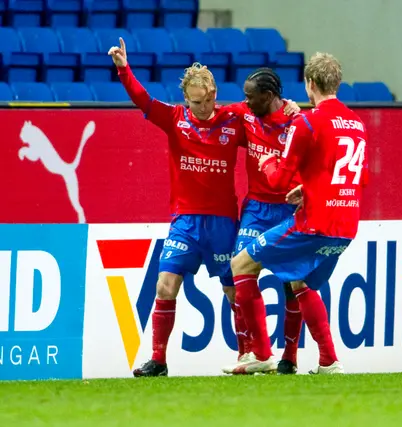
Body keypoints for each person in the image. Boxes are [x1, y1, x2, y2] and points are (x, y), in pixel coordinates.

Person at [108, 37, 247, 377]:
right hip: (184, 222)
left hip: (223, 224)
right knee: (164, 285)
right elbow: (143, 101)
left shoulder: (233, 120)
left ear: (214, 92)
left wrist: (286, 107)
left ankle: (248, 356)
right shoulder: (174, 118)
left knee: (234, 290)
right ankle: (158, 360)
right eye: (195, 102)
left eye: (207, 99)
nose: (202, 108)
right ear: (186, 98)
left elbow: (266, 124)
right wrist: (125, 70)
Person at [229, 52, 368, 375]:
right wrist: (308, 189)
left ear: (310, 84)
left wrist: (265, 161)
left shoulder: (307, 121)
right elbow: (345, 174)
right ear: (337, 83)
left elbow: (278, 179)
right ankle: (328, 361)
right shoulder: (356, 122)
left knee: (241, 264)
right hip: (346, 225)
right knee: (301, 282)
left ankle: (261, 354)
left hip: (314, 223)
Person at [220, 68, 307, 375]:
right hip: (256, 208)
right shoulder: (245, 114)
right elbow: (211, 110)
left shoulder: (297, 121)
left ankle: (291, 356)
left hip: (288, 208)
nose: (245, 101)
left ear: (268, 96)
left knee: (293, 285)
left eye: (250, 95)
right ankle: (261, 353)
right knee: (240, 270)